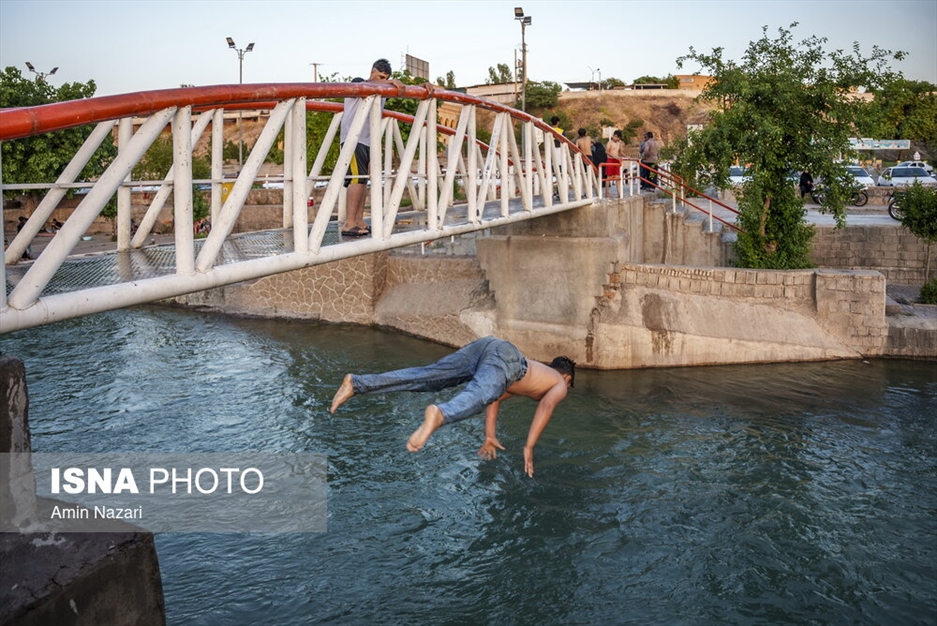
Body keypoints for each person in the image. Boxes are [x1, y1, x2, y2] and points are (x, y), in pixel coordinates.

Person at [329, 336, 576, 477]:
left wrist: (490, 435)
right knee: (476, 393)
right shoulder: (559, 383)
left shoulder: (533, 376)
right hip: (507, 358)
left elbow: (495, 397)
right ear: (566, 377)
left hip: (489, 347)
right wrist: (529, 447)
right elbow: (545, 407)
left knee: (429, 377)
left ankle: (358, 383)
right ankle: (440, 414)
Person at [338, 59, 433, 238]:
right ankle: (349, 222)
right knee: (356, 179)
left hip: (368, 141)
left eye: (387, 78)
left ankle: (358, 220)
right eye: (381, 76)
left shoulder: (382, 91)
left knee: (363, 181)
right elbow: (367, 85)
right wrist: (388, 83)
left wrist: (421, 86)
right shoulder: (358, 82)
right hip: (353, 139)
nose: (384, 80)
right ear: (372, 71)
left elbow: (402, 91)